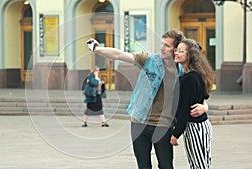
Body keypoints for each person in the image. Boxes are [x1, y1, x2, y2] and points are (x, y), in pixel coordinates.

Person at [86, 29, 208, 169]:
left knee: (166, 165)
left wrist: (205, 107)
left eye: (167, 45)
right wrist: (97, 48)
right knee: (143, 165)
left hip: (163, 125)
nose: (162, 48)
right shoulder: (150, 60)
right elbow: (119, 54)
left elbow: (197, 94)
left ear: (175, 49)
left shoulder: (183, 70)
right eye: (162, 44)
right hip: (140, 122)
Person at [170, 39, 213, 169]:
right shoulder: (197, 74)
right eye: (176, 50)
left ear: (190, 55)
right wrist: (204, 106)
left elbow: (184, 109)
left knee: (199, 166)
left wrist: (175, 134)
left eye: (180, 51)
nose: (176, 53)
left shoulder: (189, 79)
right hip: (201, 126)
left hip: (195, 127)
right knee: (201, 165)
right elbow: (205, 96)